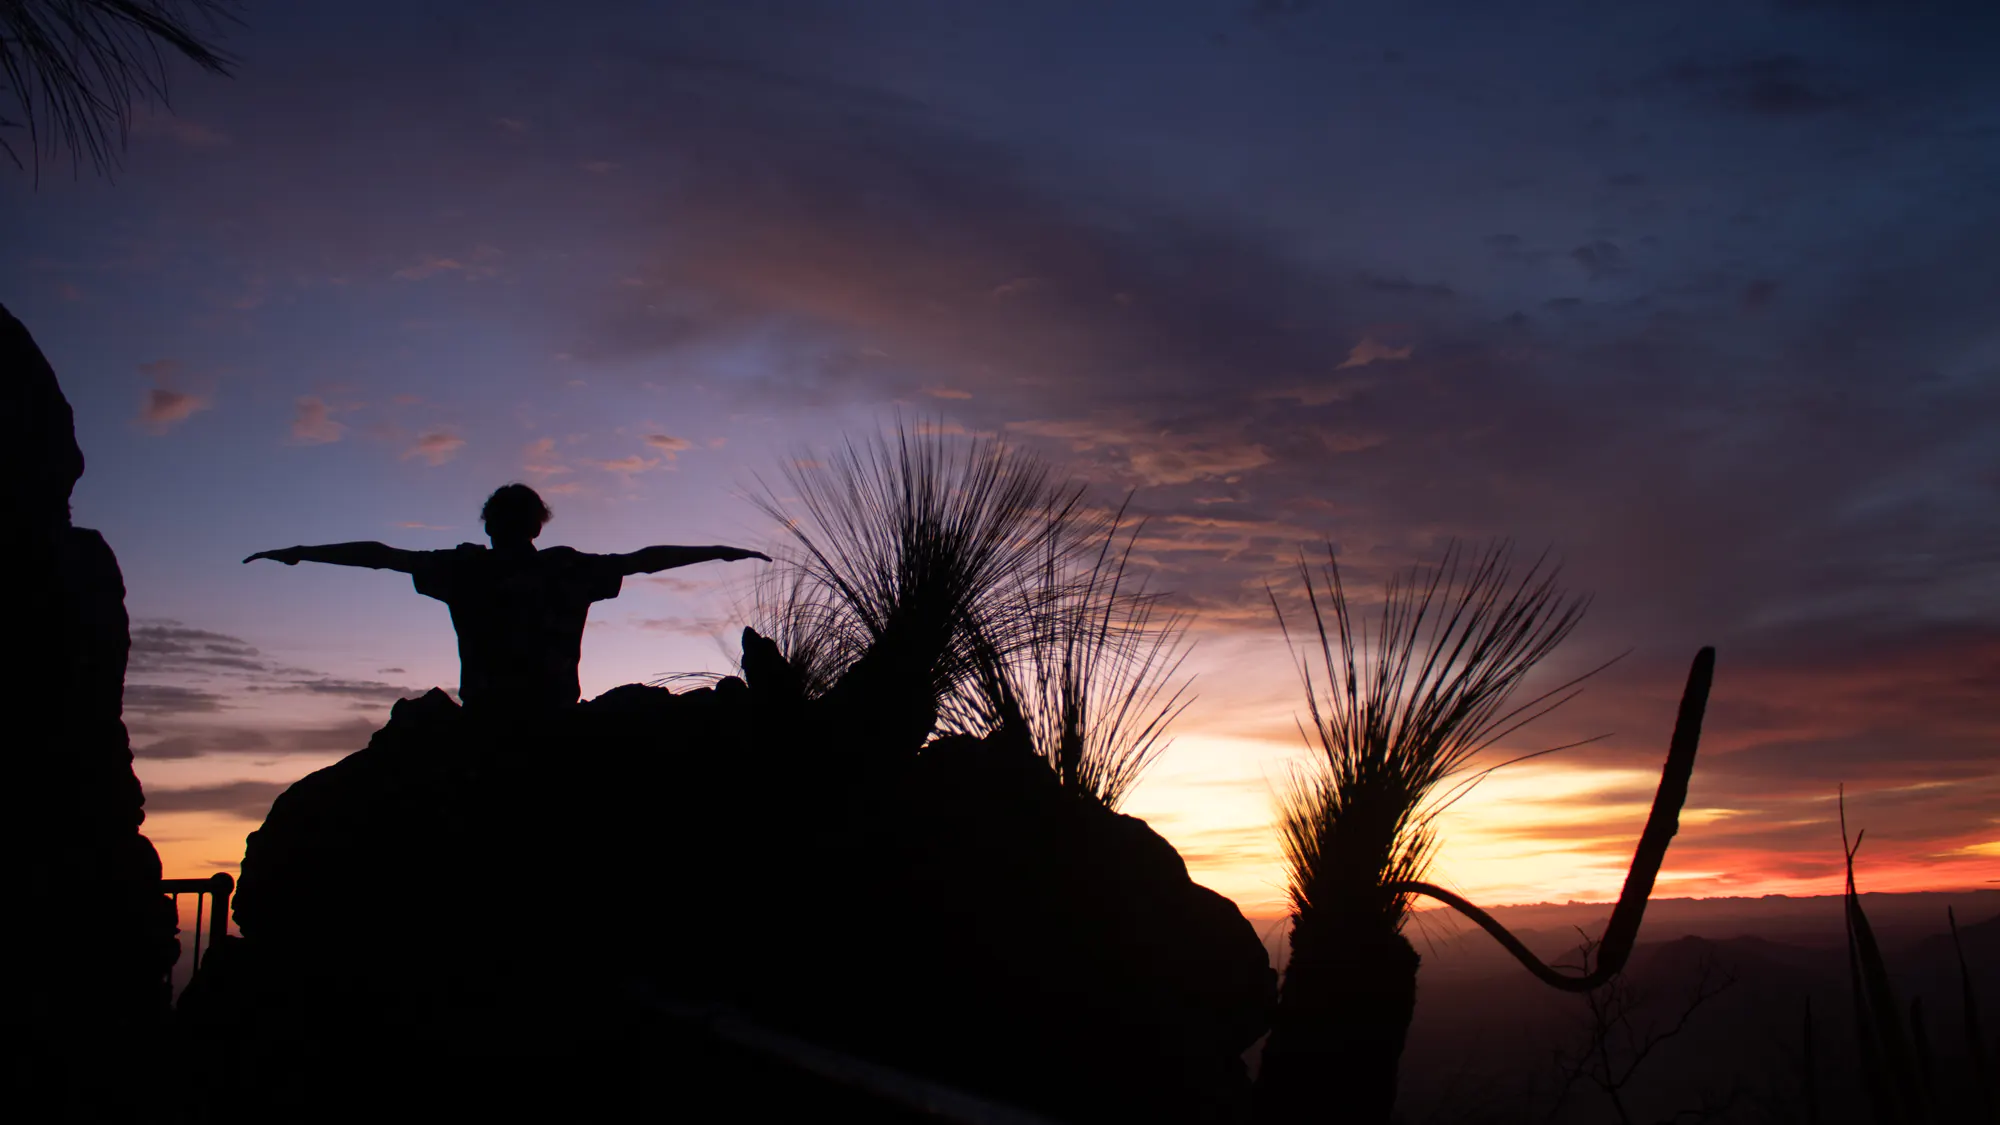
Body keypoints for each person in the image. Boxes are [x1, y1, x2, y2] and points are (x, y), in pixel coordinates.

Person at [245, 483, 768, 712]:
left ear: (491, 525)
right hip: (548, 714)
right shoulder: (565, 569)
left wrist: (301, 551)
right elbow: (644, 558)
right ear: (536, 526)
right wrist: (717, 551)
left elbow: (381, 554)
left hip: (492, 717)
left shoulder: (466, 567)